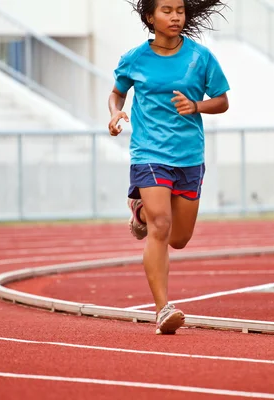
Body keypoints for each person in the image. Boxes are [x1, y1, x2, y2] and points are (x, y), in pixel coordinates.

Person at [107, 0, 230, 335]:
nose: (175, 16)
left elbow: (222, 100)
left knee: (179, 238)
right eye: (166, 10)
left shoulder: (200, 58)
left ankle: (141, 213)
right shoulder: (134, 58)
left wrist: (197, 106)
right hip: (149, 153)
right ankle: (163, 309)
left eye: (179, 10)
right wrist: (116, 113)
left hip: (189, 156)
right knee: (162, 225)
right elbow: (117, 93)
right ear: (150, 17)